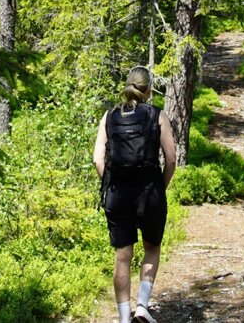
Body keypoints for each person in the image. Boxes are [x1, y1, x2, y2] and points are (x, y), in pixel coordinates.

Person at [94, 66, 176, 323]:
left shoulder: (109, 116)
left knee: (122, 255)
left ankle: (123, 318)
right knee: (152, 247)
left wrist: (112, 182)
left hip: (118, 192)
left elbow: (98, 159)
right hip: (150, 190)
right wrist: (159, 187)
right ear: (149, 90)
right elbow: (171, 159)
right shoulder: (157, 115)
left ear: (127, 86)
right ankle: (141, 306)